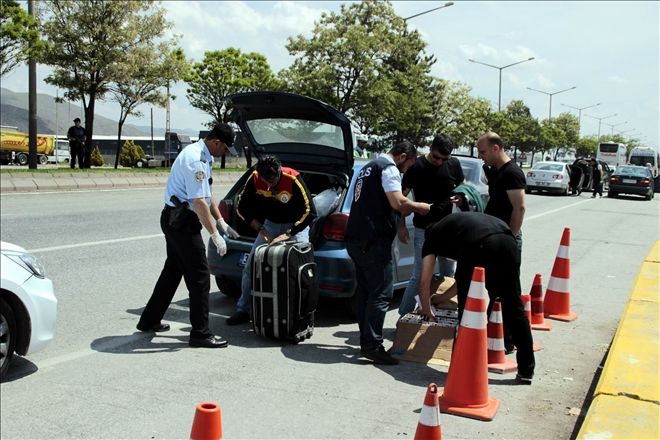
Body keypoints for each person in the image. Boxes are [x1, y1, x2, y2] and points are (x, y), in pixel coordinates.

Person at [136, 123, 239, 348]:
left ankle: (149, 320)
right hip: (181, 222)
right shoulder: (196, 160)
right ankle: (200, 334)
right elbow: (198, 202)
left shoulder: (204, 156)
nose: (224, 153)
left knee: (173, 271)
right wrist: (214, 234)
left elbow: (207, 193)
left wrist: (221, 221)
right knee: (200, 277)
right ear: (216, 142)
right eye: (224, 149)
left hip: (175, 219)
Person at [417, 211, 535, 384]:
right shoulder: (456, 225)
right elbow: (461, 280)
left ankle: (465, 367)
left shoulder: (432, 238)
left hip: (479, 245)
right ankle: (526, 370)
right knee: (513, 306)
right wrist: (440, 299)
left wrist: (426, 308)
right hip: (508, 241)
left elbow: (424, 281)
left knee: (467, 314)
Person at [345, 140, 431, 365]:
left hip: (356, 239)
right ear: (402, 157)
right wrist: (420, 206)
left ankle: (366, 340)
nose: (407, 170)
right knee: (382, 293)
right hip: (372, 242)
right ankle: (373, 345)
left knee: (366, 291)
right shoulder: (389, 168)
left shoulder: (368, 167)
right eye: (409, 165)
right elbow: (397, 202)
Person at [226, 154, 314, 326]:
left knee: (300, 271)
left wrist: (288, 233)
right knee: (251, 266)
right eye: (265, 181)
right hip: (270, 225)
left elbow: (310, 211)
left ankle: (300, 314)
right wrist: (261, 229)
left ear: (279, 172)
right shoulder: (255, 177)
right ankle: (243, 309)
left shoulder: (292, 178)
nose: (268, 185)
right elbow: (241, 206)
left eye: (272, 181)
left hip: (296, 226)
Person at [398, 133, 464, 316]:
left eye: (445, 158)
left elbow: (463, 187)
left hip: (449, 230)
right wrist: (401, 225)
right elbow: (401, 199)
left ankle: (444, 314)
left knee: (448, 272)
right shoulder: (417, 167)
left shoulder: (453, 164)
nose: (440, 162)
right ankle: (403, 317)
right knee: (419, 275)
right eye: (436, 157)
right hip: (423, 230)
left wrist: (460, 196)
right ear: (430, 148)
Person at [477, 132, 526, 254]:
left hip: (505, 237)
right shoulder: (494, 169)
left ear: (495, 148)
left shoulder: (512, 173)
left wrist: (510, 238)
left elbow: (519, 208)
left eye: (483, 152)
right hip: (492, 234)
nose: (480, 156)